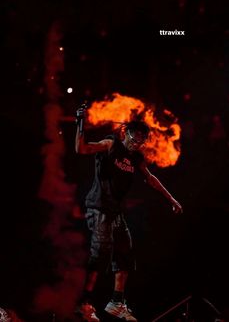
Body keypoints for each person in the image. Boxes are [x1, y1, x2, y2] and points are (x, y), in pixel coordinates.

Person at [74, 106, 183, 322]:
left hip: (115, 212)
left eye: (143, 138)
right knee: (101, 251)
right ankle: (84, 303)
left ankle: (116, 302)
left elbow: (151, 178)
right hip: (98, 207)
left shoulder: (136, 158)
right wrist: (80, 122)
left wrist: (171, 199)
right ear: (126, 133)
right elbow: (81, 149)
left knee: (125, 253)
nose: (138, 140)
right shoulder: (111, 144)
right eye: (136, 135)